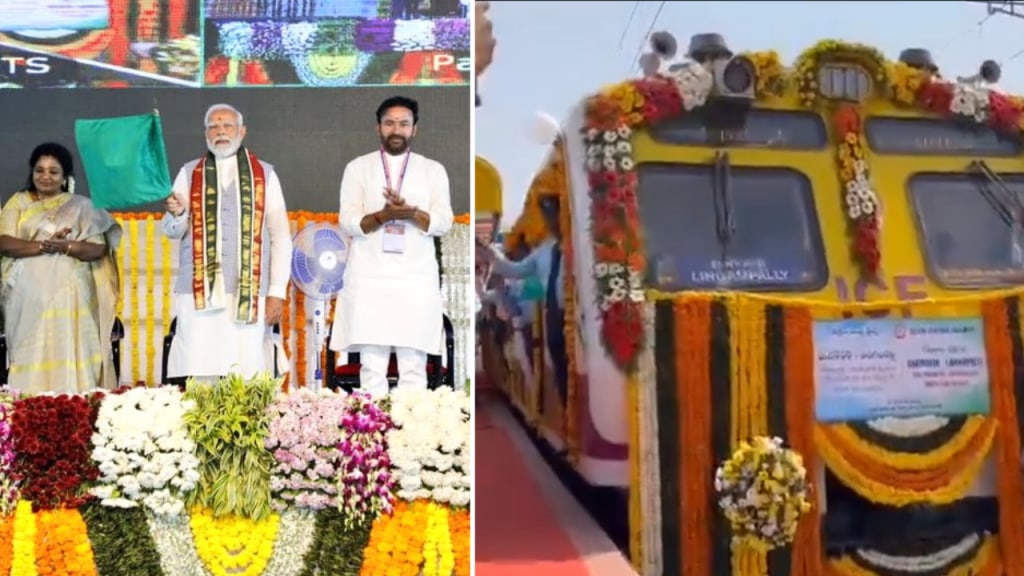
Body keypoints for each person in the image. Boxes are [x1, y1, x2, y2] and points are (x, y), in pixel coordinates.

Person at [330, 96, 454, 397]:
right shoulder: (358, 168)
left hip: (415, 279)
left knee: (413, 366)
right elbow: (348, 221)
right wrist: (384, 216)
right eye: (389, 123)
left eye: (403, 123)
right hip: (370, 277)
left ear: (415, 129)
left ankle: (413, 438)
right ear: (378, 128)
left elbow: (443, 222)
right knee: (372, 367)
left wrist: (410, 213)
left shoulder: (432, 170)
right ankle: (373, 435)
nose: (396, 129)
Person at [162, 103, 292, 383]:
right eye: (213, 126)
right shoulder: (189, 172)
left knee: (247, 374)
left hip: (250, 291)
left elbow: (280, 237)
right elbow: (173, 230)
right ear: (206, 134)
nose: (220, 131)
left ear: (242, 131)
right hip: (198, 293)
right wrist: (178, 214)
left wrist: (277, 292)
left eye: (227, 125)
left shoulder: (265, 174)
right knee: (202, 374)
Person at [0, 142, 122, 393]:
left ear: (65, 176)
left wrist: (65, 245)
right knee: (30, 354)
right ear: (32, 172)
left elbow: (97, 249)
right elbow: (4, 242)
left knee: (73, 351)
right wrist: (45, 246)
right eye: (40, 170)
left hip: (74, 300)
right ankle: (27, 414)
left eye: (53, 171)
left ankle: (76, 408)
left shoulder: (83, 206)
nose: (45, 176)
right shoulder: (18, 202)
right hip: (28, 301)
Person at [476, 194, 566, 406]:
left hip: (575, 318)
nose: (552, 221)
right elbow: (515, 270)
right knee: (558, 367)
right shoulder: (543, 251)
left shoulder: (579, 244)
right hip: (551, 318)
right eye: (547, 216)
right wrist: (488, 252)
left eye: (554, 215)